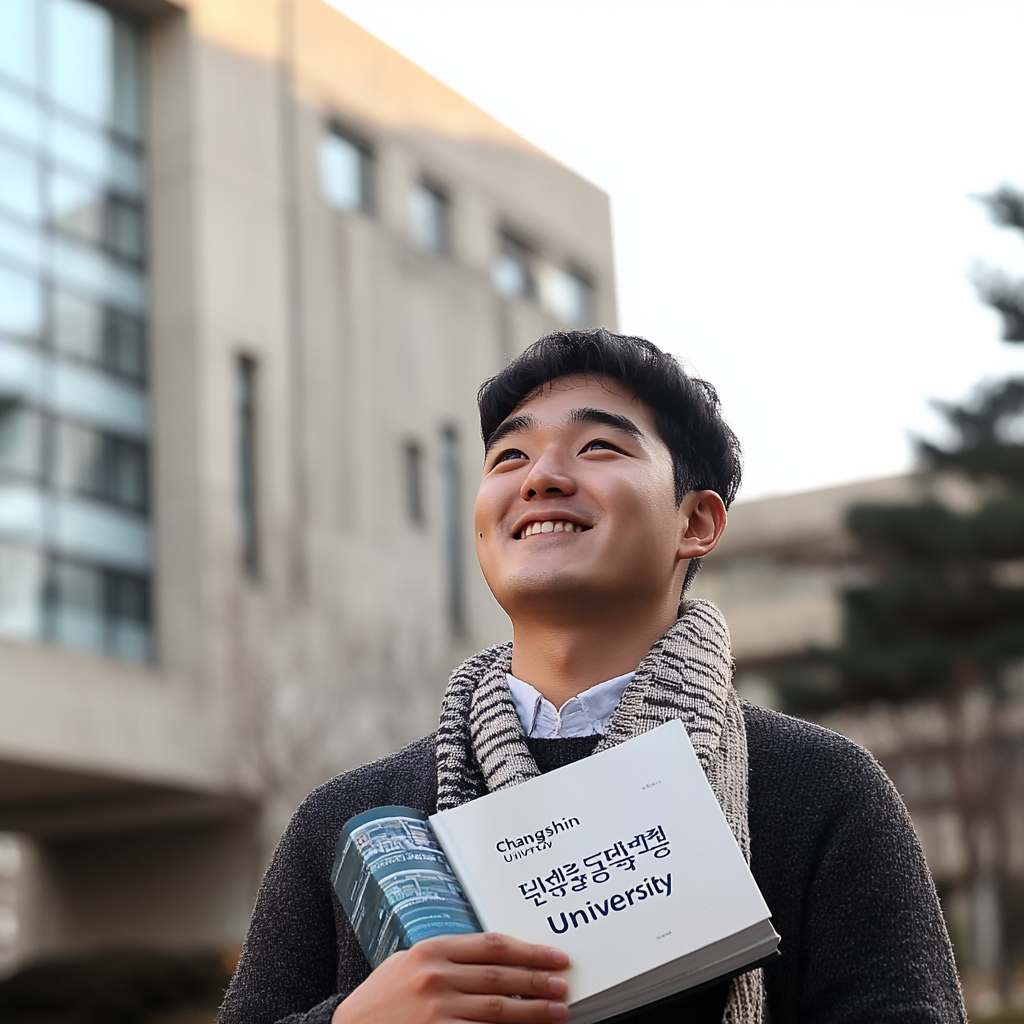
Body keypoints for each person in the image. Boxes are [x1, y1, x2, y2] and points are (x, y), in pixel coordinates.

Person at [218, 329, 966, 1024]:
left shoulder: (821, 791)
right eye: (509, 458)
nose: (541, 476)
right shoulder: (352, 820)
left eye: (600, 447)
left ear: (696, 523)